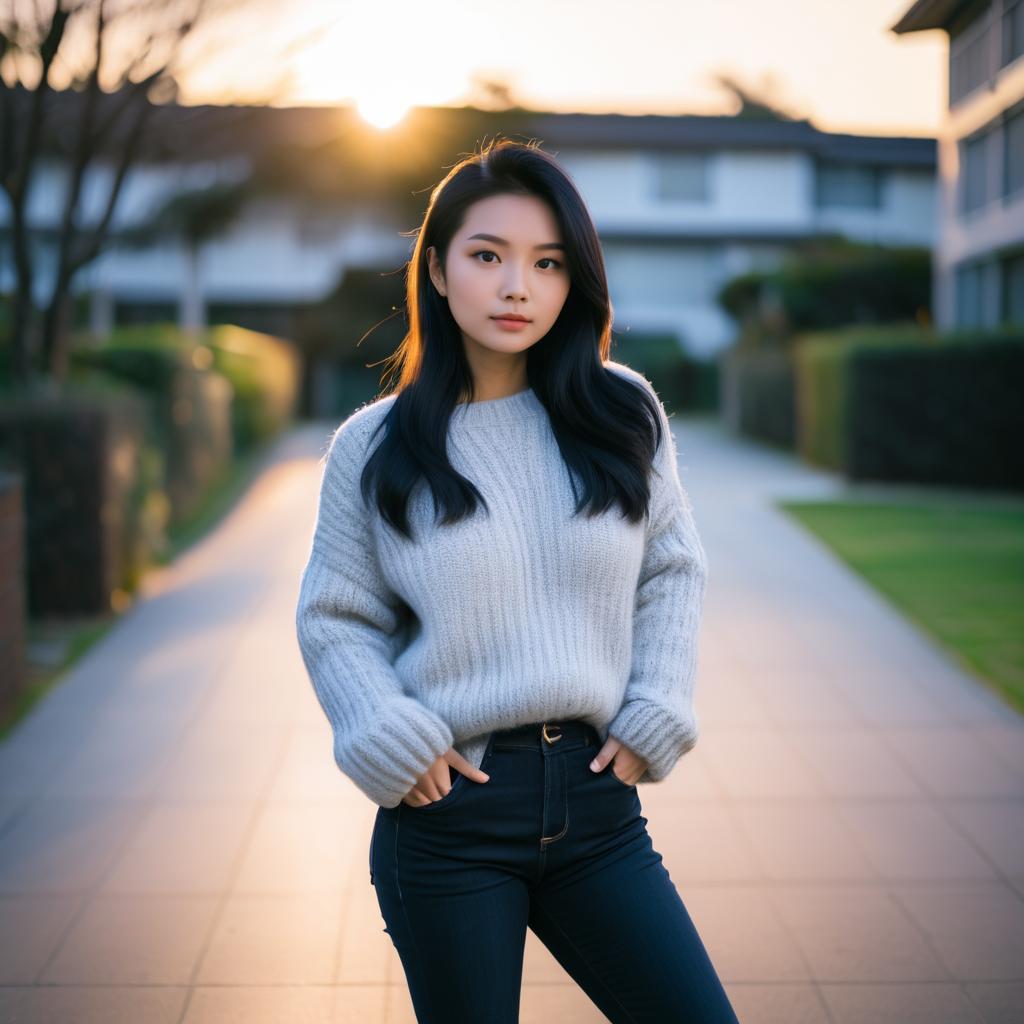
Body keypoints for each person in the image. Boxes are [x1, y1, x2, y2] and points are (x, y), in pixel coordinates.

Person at [295, 138, 740, 1024]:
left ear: (574, 281)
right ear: (438, 267)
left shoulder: (622, 413)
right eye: (487, 256)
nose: (516, 288)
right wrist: (390, 733)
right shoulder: (374, 445)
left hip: (598, 807)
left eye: (547, 263)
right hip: (452, 814)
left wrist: (657, 705)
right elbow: (336, 616)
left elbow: (672, 569)